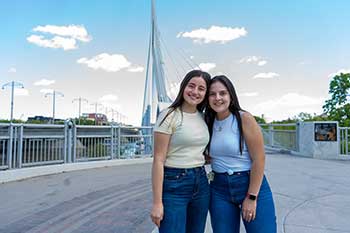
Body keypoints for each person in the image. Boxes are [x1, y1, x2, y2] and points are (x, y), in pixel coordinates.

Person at [205, 75, 277, 233]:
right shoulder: (208, 122)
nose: (218, 98)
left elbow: (259, 159)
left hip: (249, 184)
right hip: (219, 188)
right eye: (212, 94)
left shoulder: (244, 118)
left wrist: (252, 197)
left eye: (222, 93)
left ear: (230, 96)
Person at [150, 70, 211, 233]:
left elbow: (196, 148)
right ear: (183, 87)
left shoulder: (203, 118)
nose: (195, 92)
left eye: (201, 89)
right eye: (191, 86)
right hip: (174, 182)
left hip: (201, 182)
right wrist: (157, 202)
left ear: (205, 94)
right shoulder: (168, 115)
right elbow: (158, 160)